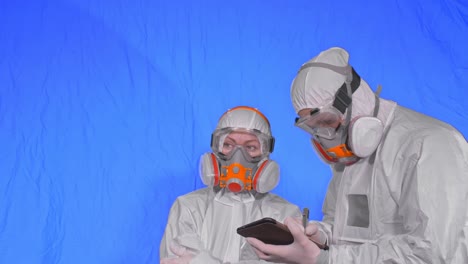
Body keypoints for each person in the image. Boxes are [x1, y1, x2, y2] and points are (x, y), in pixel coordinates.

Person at [246, 47, 468, 263]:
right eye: (313, 127)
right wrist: (321, 236)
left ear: (354, 99)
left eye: (326, 122)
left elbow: (432, 254)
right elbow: (347, 231)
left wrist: (326, 259)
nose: (325, 136)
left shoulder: (429, 144)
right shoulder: (349, 158)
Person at [160, 106, 302, 264]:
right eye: (228, 145)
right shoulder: (189, 208)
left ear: (265, 154)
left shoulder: (284, 216)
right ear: (216, 147)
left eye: (250, 147)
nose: (238, 157)